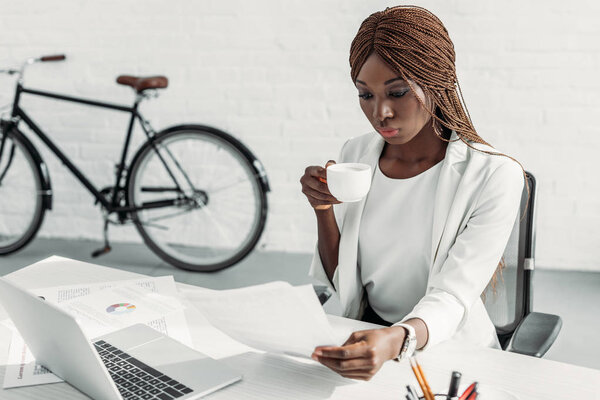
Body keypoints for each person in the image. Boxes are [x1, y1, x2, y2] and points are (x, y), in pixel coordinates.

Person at [300, 5, 526, 381]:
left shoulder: (495, 176)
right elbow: (343, 283)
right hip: (366, 335)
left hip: (446, 349)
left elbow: (452, 297)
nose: (381, 112)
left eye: (397, 92)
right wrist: (323, 209)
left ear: (436, 80)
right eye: (365, 95)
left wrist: (397, 339)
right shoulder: (355, 155)